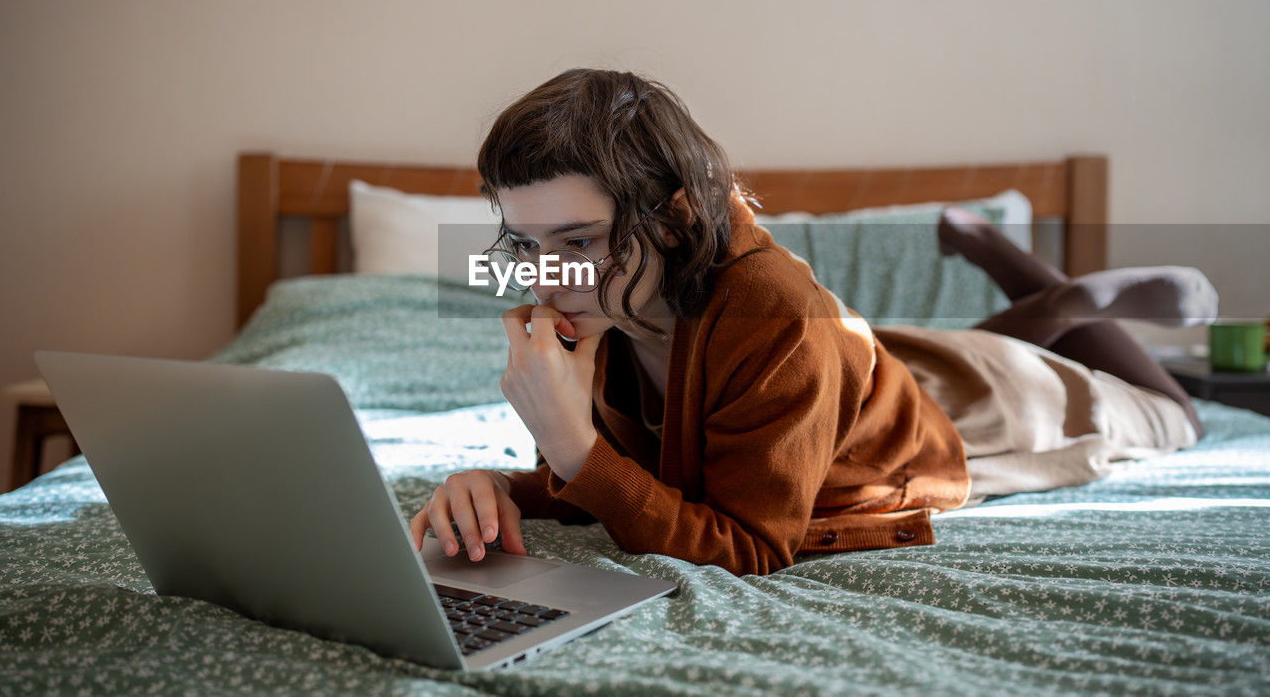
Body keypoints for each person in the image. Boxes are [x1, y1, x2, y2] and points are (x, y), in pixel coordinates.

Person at [409, 68, 1215, 576]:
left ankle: (1070, 299)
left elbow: (752, 545)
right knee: (964, 347)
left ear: (673, 218)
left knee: (1174, 416)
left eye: (579, 240)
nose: (549, 273)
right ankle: (1032, 297)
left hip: (974, 417)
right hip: (852, 377)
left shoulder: (777, 314)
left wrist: (571, 447)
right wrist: (494, 482)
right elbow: (616, 485)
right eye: (526, 243)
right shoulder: (597, 306)